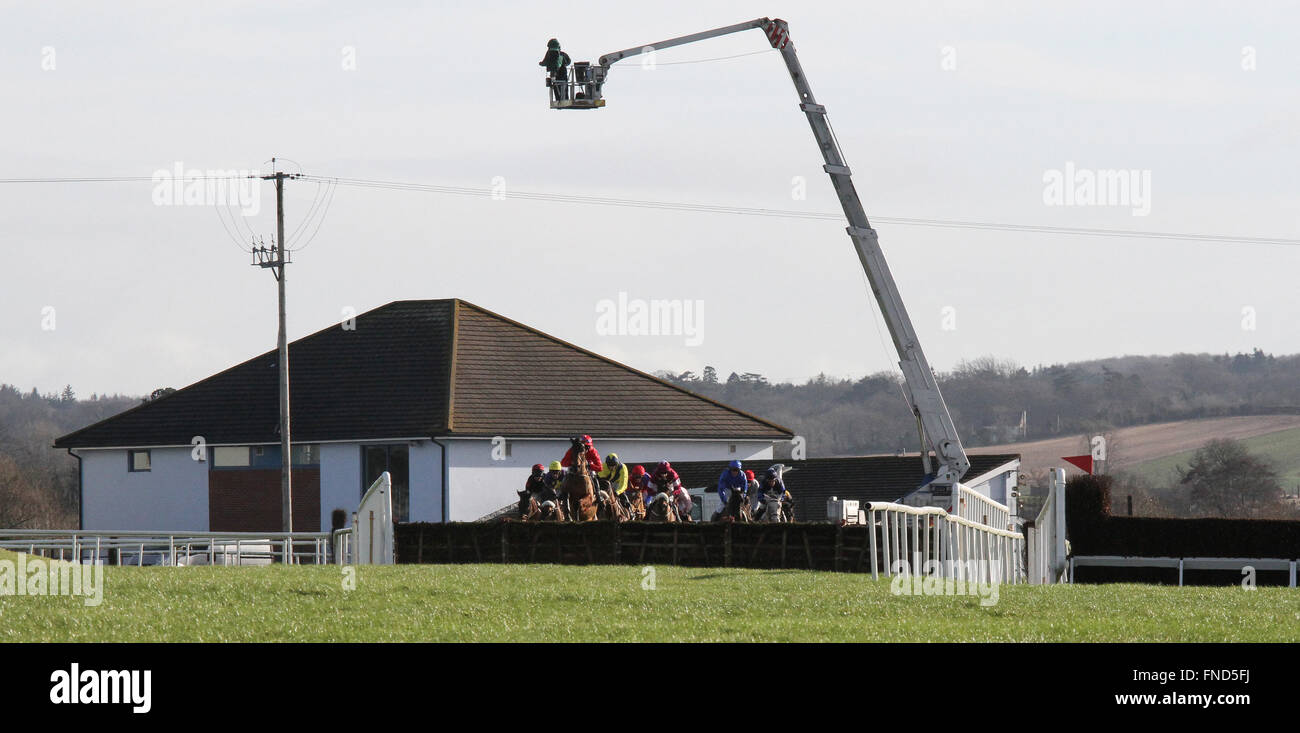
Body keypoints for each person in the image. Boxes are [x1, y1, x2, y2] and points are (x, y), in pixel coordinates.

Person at [539, 38, 571, 102]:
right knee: (563, 88)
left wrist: (541, 63)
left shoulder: (549, 54)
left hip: (555, 74)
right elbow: (568, 61)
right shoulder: (562, 54)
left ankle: (559, 100)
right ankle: (564, 99)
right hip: (562, 74)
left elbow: (544, 62)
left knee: (557, 87)